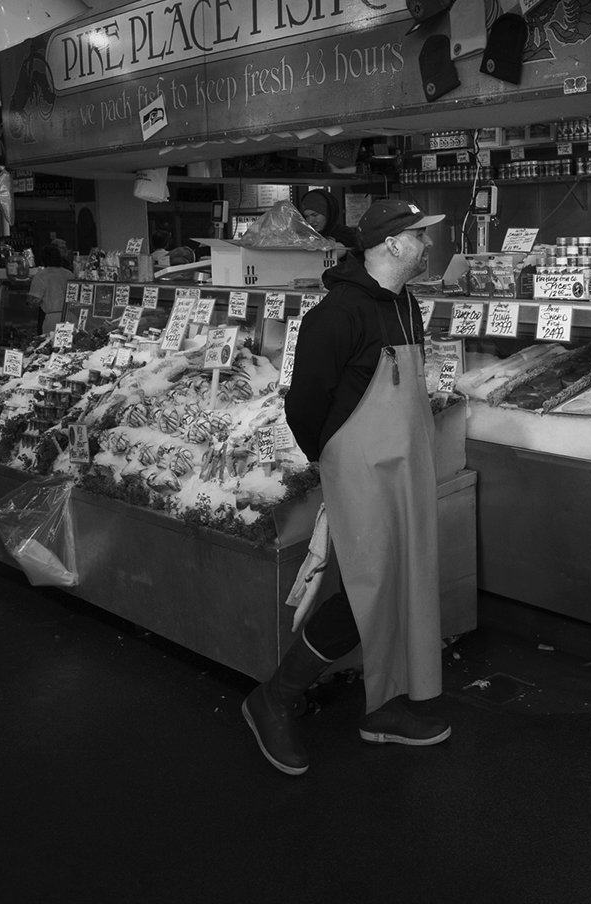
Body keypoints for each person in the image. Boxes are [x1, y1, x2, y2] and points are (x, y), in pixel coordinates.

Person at [244, 198, 450, 776]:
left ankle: (382, 706)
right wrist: (335, 461)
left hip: (406, 466)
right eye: (419, 235)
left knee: (405, 578)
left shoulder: (407, 303)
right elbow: (304, 406)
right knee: (370, 587)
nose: (428, 244)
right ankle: (274, 698)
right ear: (391, 245)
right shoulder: (334, 316)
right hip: (359, 468)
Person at [26, 244, 73, 334]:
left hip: (52, 320)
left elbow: (34, 302)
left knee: (51, 345)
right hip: (71, 316)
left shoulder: (41, 275)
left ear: (43, 260)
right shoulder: (69, 274)